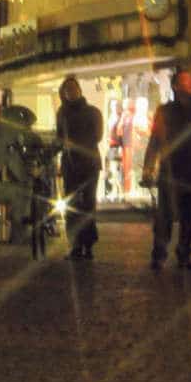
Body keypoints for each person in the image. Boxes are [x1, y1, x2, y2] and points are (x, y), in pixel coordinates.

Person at [143, 65, 191, 270]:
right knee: (164, 216)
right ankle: (159, 254)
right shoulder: (165, 111)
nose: (188, 85)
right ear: (175, 86)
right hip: (170, 171)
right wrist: (149, 166)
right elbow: (155, 139)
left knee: (190, 217)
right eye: (183, 82)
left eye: (190, 81)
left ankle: (184, 253)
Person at [55, 74, 104, 261]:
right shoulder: (62, 113)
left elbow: (97, 136)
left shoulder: (92, 112)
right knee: (71, 205)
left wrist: (74, 144)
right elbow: (59, 136)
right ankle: (75, 244)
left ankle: (88, 244)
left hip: (89, 163)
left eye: (73, 89)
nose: (71, 92)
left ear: (79, 90)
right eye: (67, 90)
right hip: (70, 164)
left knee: (88, 204)